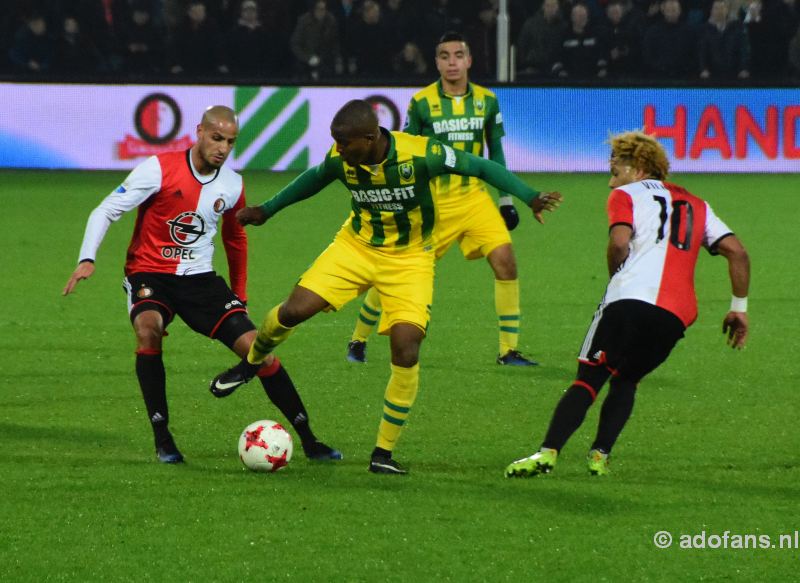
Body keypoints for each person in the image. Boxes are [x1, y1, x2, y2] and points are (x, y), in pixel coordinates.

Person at [210, 100, 562, 475]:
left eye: (345, 143)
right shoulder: (343, 156)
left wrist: (528, 195)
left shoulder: (420, 153)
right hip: (356, 247)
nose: (340, 150)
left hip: (410, 258)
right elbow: (314, 178)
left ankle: (383, 453)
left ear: (370, 137)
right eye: (337, 143)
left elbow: (480, 165)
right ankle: (252, 363)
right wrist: (268, 209)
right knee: (293, 310)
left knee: (406, 347)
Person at [63, 106, 340, 465]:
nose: (223, 148)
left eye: (230, 141)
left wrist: (239, 293)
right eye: (216, 138)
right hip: (150, 274)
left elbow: (235, 240)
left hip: (200, 281)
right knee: (148, 331)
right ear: (199, 132)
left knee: (260, 352)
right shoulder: (158, 169)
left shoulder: (232, 184)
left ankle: (310, 440)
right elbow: (106, 210)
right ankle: (163, 439)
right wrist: (88, 258)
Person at [505, 131, 749, 478]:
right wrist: (738, 307)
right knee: (627, 378)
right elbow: (737, 251)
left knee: (588, 379)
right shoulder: (698, 204)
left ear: (637, 168)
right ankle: (599, 456)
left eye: (615, 170)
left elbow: (619, 243)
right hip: (676, 315)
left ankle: (547, 454)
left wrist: (615, 279)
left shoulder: (626, 194)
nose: (610, 181)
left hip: (629, 300)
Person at [346, 32, 540, 368]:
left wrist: (506, 199)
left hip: (475, 200)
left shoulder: (487, 100)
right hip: (433, 204)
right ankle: (358, 339)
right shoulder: (421, 103)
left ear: (469, 60)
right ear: (436, 62)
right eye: (444, 56)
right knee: (398, 270)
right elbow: (405, 148)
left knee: (506, 263)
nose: (452, 62)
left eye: (458, 55)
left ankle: (509, 351)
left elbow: (495, 152)